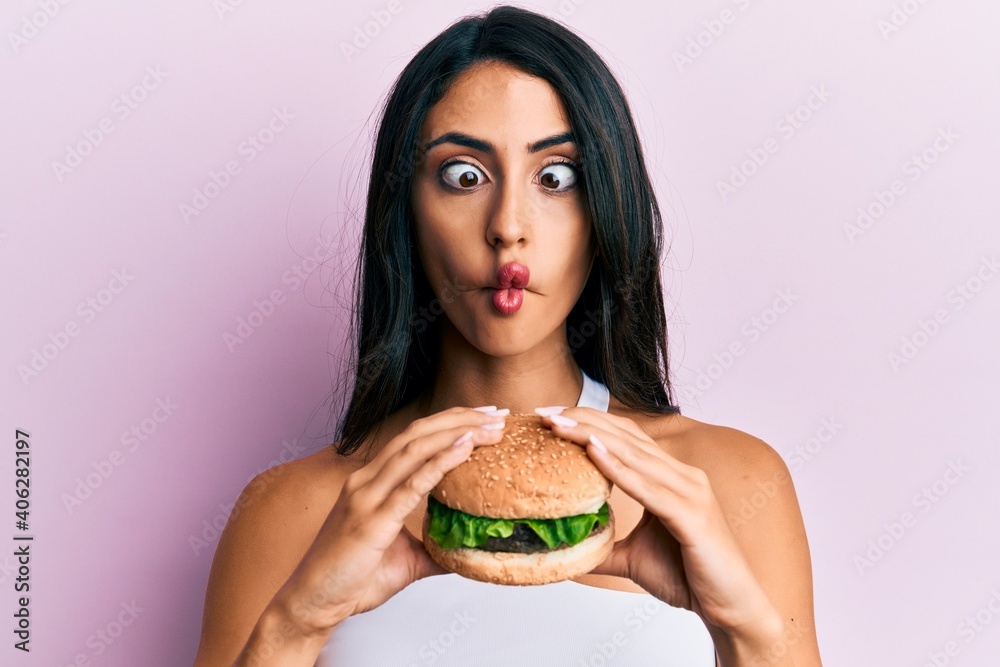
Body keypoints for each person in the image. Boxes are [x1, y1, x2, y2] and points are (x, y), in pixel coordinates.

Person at [193, 6, 823, 666]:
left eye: (556, 176)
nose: (508, 225)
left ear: (607, 204)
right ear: (404, 209)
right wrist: (296, 621)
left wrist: (746, 634)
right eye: (464, 175)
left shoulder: (729, 481)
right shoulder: (294, 508)